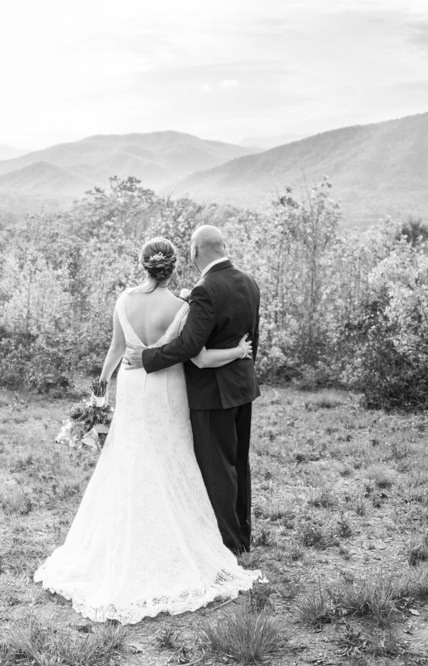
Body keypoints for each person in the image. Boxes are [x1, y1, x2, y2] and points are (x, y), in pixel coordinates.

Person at [34, 237, 261, 624]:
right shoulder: (181, 306)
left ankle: (126, 536)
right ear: (173, 268)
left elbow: (116, 348)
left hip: (132, 389)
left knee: (129, 456)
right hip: (166, 389)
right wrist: (239, 352)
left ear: (143, 266)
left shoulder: (123, 301)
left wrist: (100, 391)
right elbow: (198, 356)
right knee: (170, 457)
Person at [125, 224, 260, 555]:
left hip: (212, 394)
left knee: (217, 469)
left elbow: (189, 345)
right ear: (223, 246)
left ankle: (228, 545)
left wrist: (146, 358)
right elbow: (253, 338)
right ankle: (243, 536)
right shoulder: (249, 281)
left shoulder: (206, 289)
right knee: (239, 464)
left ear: (195, 252)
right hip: (243, 387)